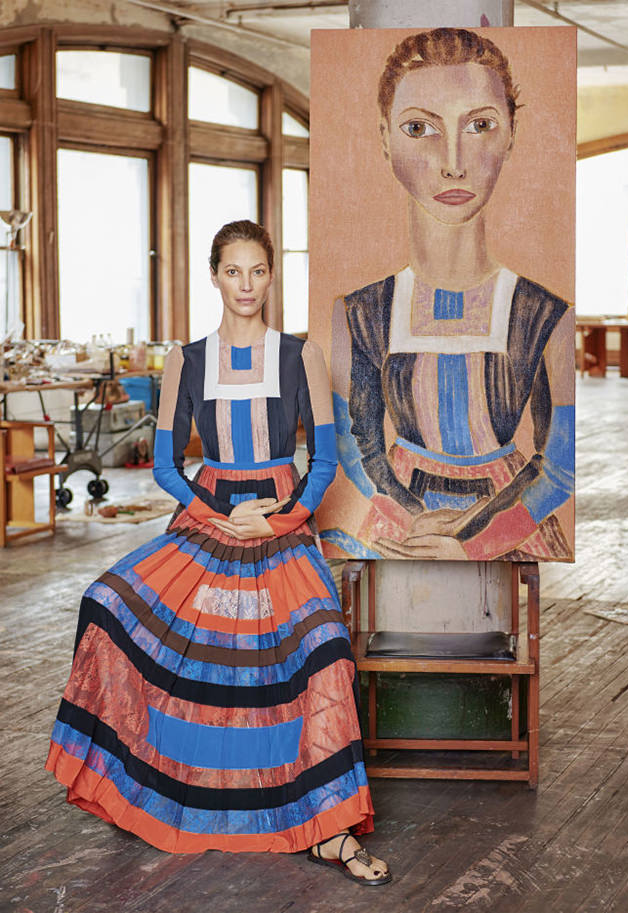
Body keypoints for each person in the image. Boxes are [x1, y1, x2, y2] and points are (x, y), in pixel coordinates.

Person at [46, 220, 390, 886]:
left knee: (321, 647)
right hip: (209, 518)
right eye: (233, 271)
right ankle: (148, 787)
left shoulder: (302, 356)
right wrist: (221, 516)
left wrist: (279, 520)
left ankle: (329, 826)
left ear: (271, 276)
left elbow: (324, 460)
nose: (246, 285)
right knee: (111, 605)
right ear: (214, 276)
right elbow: (167, 465)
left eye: (258, 271)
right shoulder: (186, 360)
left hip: (281, 522)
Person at [325, 28, 575, 562]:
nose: (453, 162)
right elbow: (355, 443)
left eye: (480, 125)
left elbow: (560, 465)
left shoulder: (545, 315)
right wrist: (414, 523)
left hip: (511, 524)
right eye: (419, 128)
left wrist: (475, 540)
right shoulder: (359, 313)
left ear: (512, 132)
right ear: (384, 137)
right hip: (394, 527)